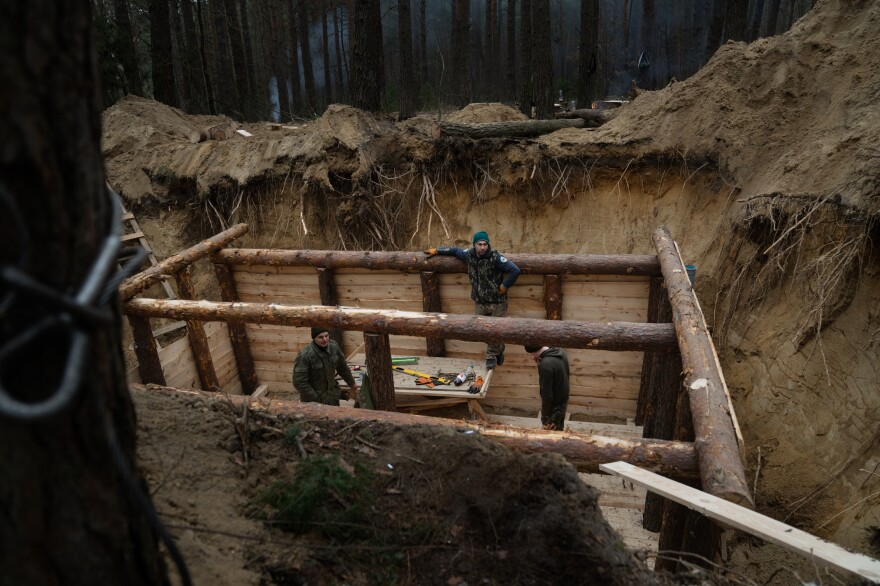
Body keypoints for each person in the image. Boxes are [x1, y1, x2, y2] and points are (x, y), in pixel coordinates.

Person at [425, 231, 521, 369]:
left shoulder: (496, 258)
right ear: (474, 245)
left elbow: (515, 270)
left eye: (485, 244)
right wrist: (437, 251)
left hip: (497, 302)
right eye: (479, 244)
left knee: (494, 331)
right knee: (481, 331)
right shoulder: (468, 255)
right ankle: (499, 349)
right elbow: (454, 250)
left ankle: (491, 355)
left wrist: (505, 285)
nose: (483, 247)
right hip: (480, 302)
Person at [293, 327, 359, 406]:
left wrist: (351, 383)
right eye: (320, 337)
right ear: (314, 338)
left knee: (334, 417)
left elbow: (342, 368)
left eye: (326, 336)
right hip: (313, 401)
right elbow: (299, 382)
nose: (325, 339)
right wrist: (315, 397)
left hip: (332, 397)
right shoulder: (305, 355)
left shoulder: (334, 347)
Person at [523, 344, 570, 431]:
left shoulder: (546, 364)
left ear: (533, 353)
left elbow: (546, 393)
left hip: (554, 405)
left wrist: (545, 415)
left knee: (551, 435)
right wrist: (539, 365)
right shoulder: (560, 351)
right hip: (563, 398)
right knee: (558, 429)